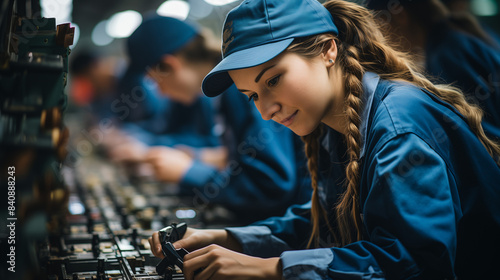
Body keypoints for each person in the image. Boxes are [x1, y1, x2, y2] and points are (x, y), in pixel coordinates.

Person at [148, 0, 500, 279]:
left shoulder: (397, 129)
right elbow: (326, 218)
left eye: (272, 80)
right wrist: (229, 238)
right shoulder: (337, 122)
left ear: (328, 50)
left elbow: (414, 265)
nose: (266, 111)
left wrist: (269, 269)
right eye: (252, 95)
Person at [110, 15, 312, 223]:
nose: (160, 93)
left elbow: (269, 187)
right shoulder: (222, 93)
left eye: (155, 81)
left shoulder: (240, 89)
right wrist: (197, 157)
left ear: (168, 65)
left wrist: (188, 172)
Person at [366, 0, 500, 141]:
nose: (381, 38)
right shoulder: (458, 34)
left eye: (380, 24)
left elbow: (483, 131)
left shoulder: (448, 55)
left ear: (400, 15)